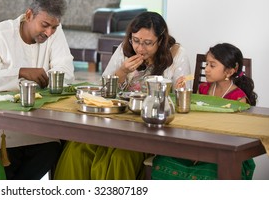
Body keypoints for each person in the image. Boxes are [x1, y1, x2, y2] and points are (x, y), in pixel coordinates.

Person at [54, 11, 191, 180]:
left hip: (149, 129)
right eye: (136, 41)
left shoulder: (177, 55)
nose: (140, 48)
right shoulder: (125, 49)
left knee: (120, 157)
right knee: (77, 148)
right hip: (115, 122)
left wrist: (177, 90)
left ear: (161, 40)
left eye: (148, 43)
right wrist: (123, 71)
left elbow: (183, 100)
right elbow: (103, 91)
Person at [0, 0, 75, 180]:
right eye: (45, 25)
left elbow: (66, 69)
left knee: (52, 147)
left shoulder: (54, 33)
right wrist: (21, 72)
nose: (49, 32)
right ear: (29, 15)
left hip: (35, 124)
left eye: (55, 27)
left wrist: (48, 76)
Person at [151, 43, 258, 180]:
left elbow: (235, 136)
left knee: (210, 173)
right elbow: (192, 117)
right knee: (163, 160)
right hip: (197, 143)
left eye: (212, 65)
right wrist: (180, 92)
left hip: (225, 150)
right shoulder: (203, 89)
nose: (206, 69)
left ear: (229, 72)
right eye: (206, 64)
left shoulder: (239, 99)